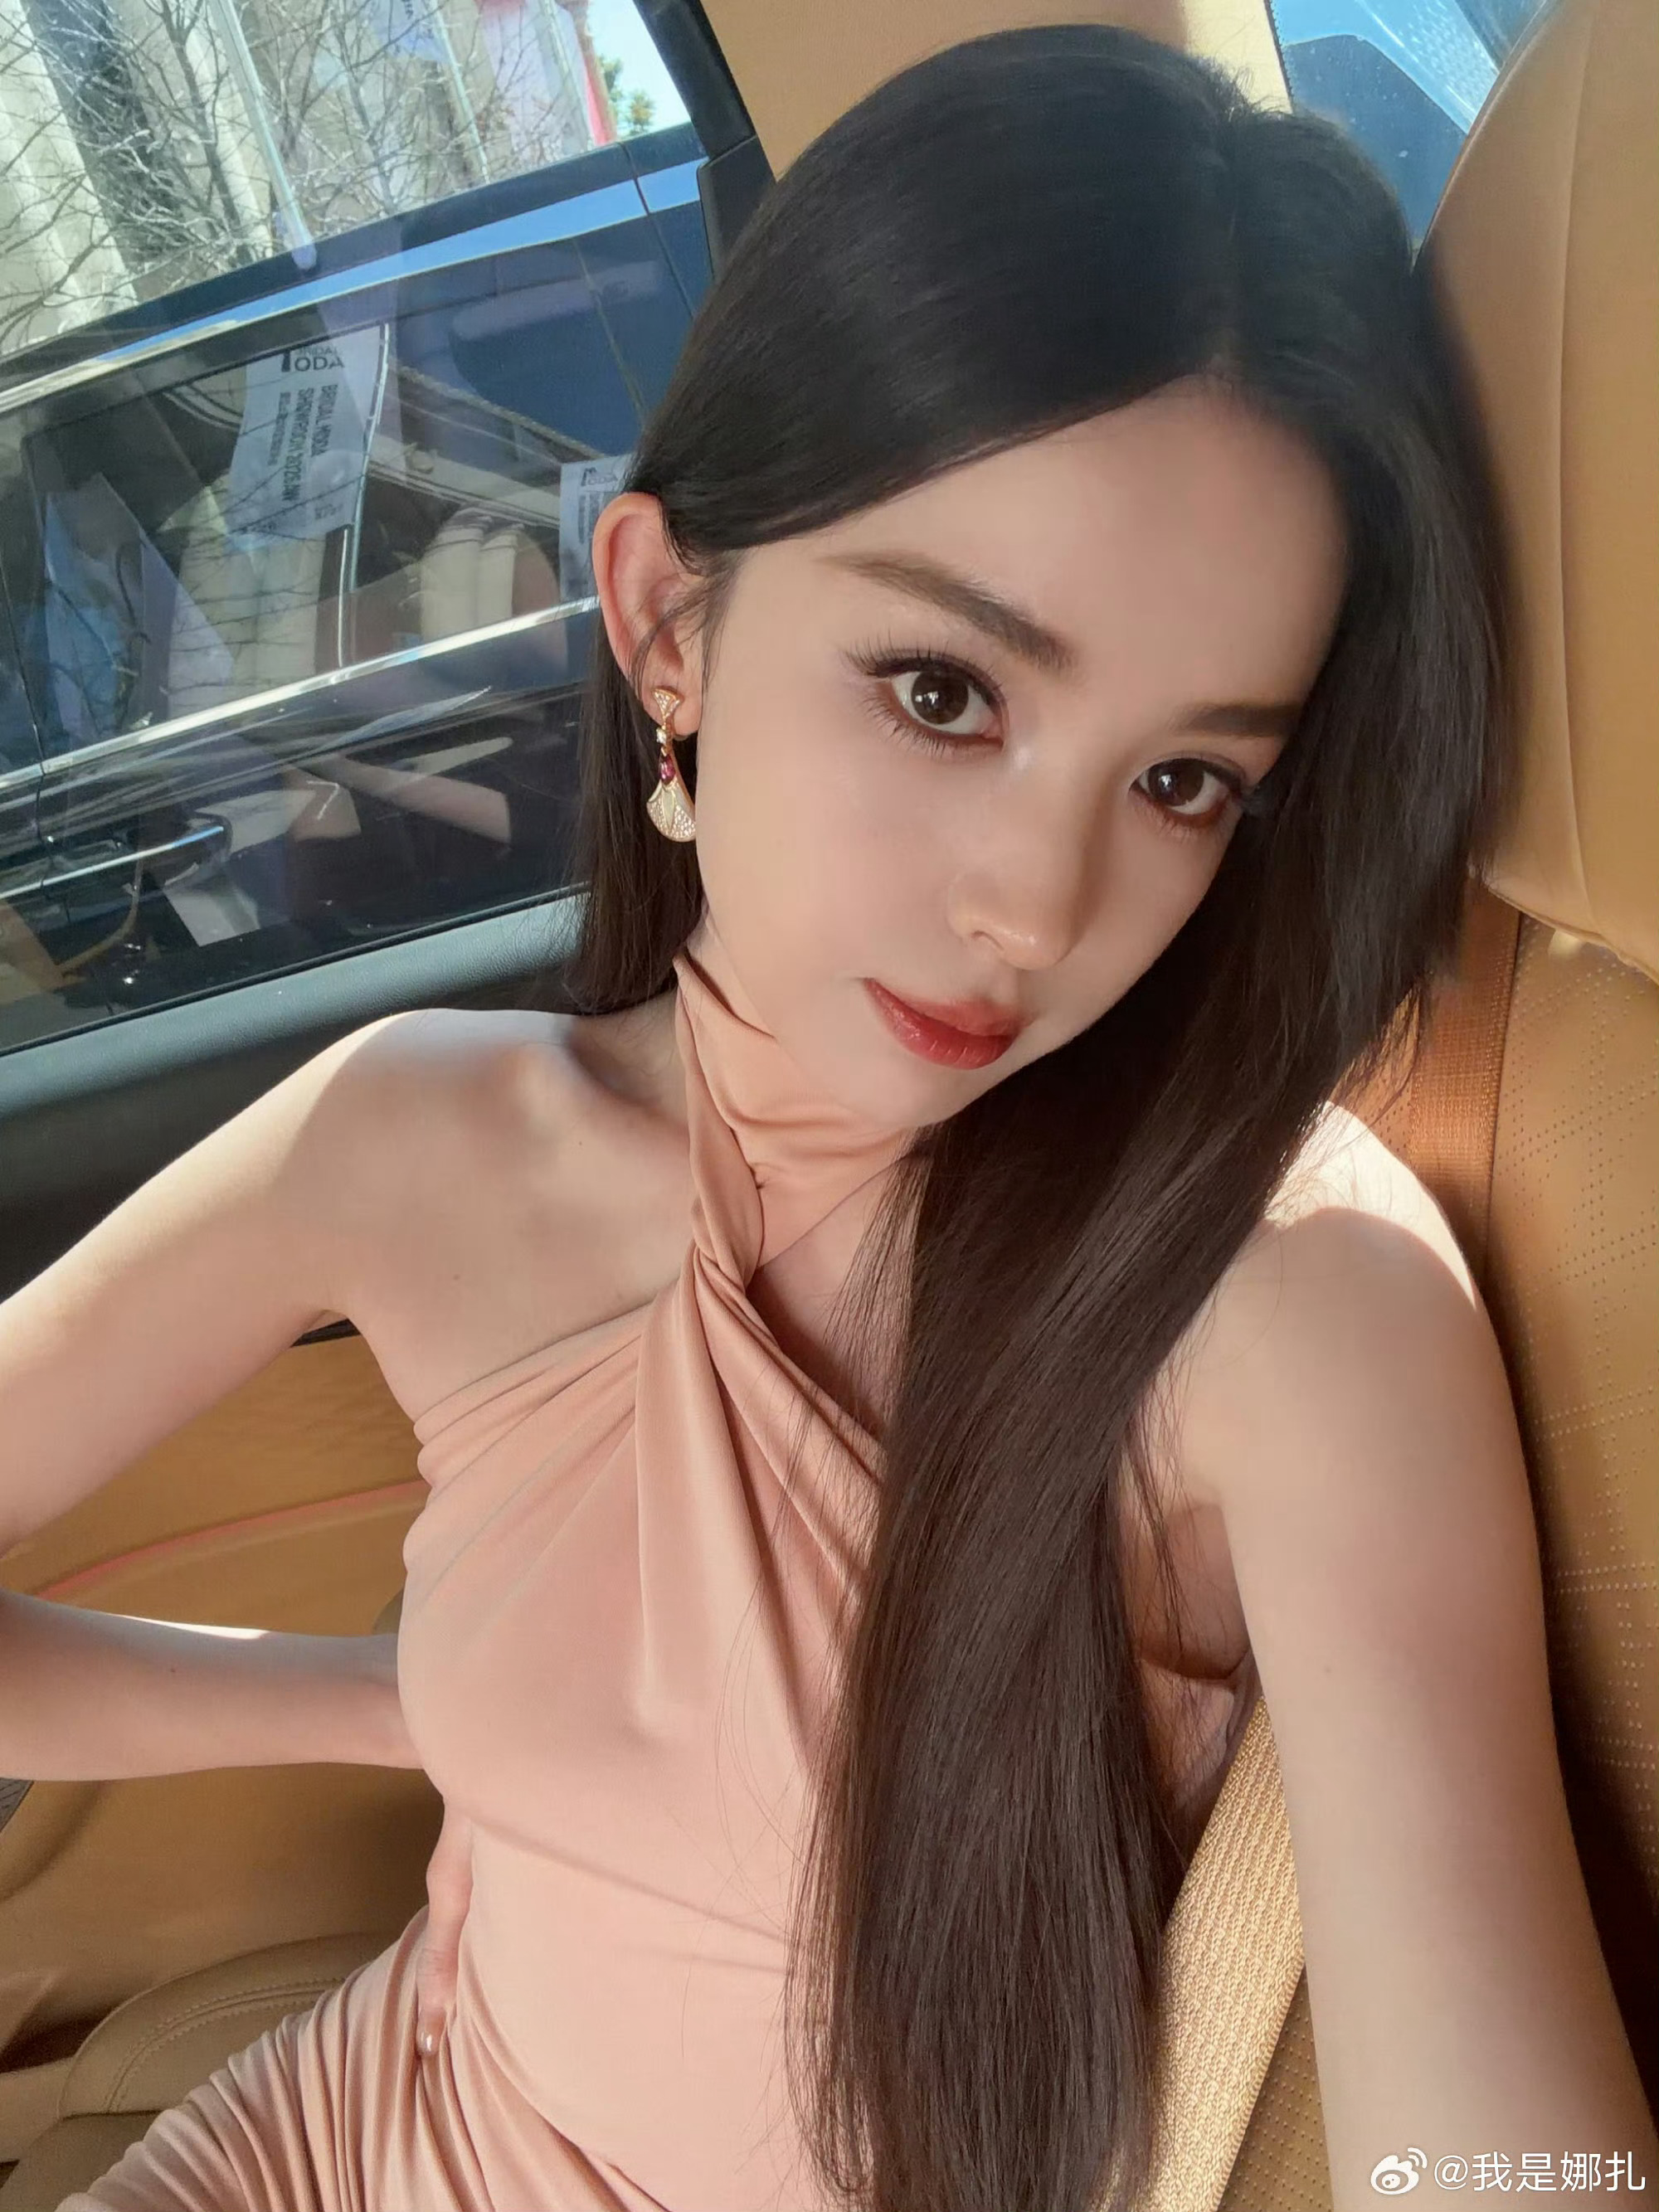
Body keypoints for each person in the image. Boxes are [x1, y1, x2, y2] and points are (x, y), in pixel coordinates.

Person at [2, 21, 1652, 2212]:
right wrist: (392, 1699)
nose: (1037, 908)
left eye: (1185, 781)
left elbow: (1518, 2171)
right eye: (945, 692)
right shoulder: (416, 1144)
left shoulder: (1284, 1310)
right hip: (328, 2144)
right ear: (668, 628)